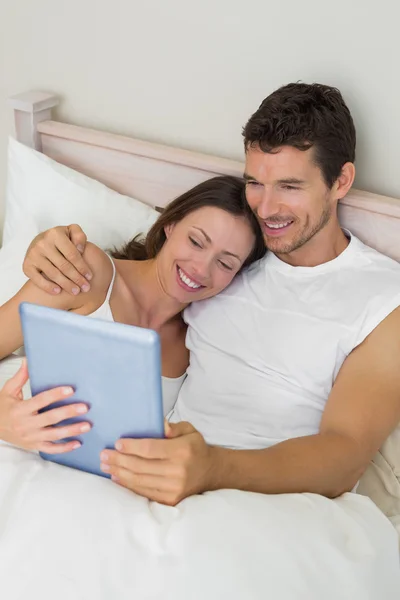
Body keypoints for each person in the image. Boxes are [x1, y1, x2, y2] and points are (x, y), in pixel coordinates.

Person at [13, 83, 400, 507]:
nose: (266, 208)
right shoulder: (237, 260)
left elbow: (344, 454)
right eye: (255, 182)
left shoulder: (382, 298)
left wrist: (212, 467)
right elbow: (137, 281)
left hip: (273, 497)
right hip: (152, 478)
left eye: (289, 186)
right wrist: (50, 248)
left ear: (340, 181)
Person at [0, 176, 265, 454]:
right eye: (196, 241)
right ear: (170, 225)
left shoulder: (199, 344)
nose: (201, 268)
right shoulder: (88, 273)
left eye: (225, 263)